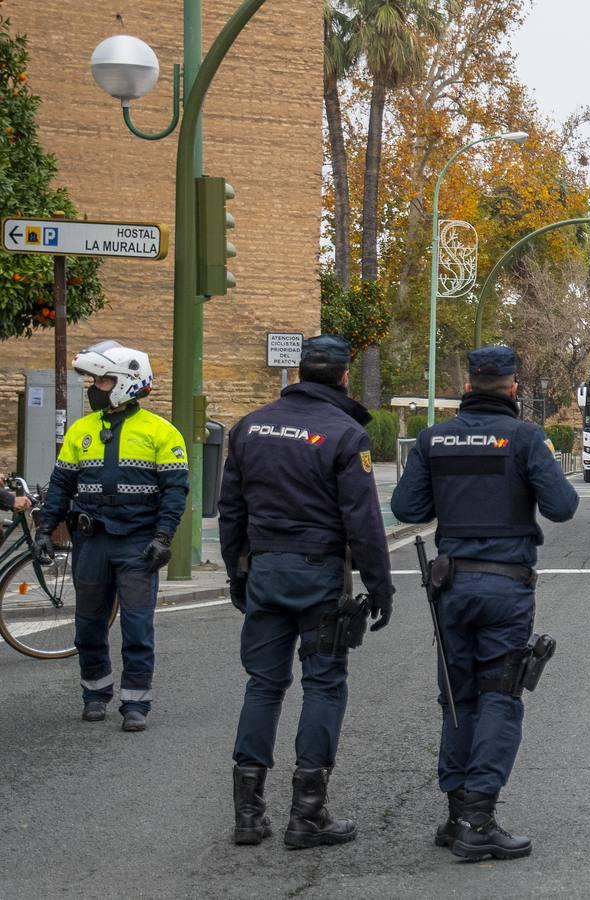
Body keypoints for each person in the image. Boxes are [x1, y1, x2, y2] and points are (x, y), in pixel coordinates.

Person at [391, 345, 579, 861]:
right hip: (505, 589)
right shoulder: (525, 438)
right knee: (500, 695)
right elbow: (562, 507)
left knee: (456, 696)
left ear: (468, 384)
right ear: (514, 387)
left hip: (450, 586)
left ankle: (455, 816)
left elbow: (406, 507)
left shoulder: (433, 440)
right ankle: (479, 819)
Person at [218, 334, 395, 849]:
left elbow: (231, 510)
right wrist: (380, 587)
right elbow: (362, 522)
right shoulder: (344, 434)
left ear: (299, 371)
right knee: (323, 684)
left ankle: (248, 815)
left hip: (265, 571)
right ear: (343, 376)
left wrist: (237, 572)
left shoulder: (250, 427)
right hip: (318, 577)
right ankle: (307, 814)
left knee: (264, 685)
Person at [35, 341, 187, 731]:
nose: (94, 387)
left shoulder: (162, 432)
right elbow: (61, 485)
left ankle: (136, 703)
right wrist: (44, 529)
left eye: (101, 380)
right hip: (92, 541)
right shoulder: (80, 431)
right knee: (88, 623)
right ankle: (95, 694)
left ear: (125, 382)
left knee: (137, 626)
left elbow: (174, 492)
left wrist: (163, 537)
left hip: (138, 543)